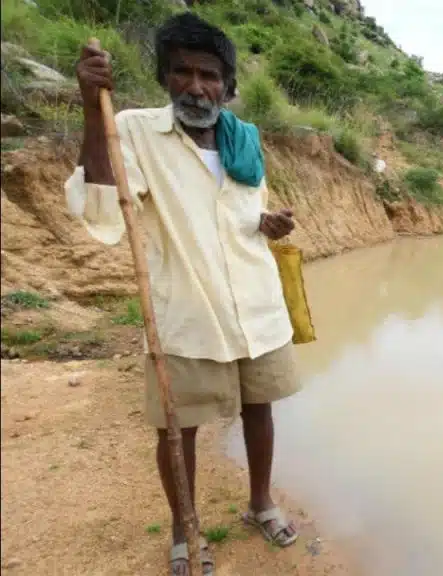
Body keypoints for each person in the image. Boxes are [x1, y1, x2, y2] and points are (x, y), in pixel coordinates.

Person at [67, 12, 301, 575]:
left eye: (209, 75)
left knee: (259, 409)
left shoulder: (243, 139)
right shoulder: (135, 130)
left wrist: (265, 220)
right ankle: (183, 528)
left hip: (257, 303)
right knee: (180, 425)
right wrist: (89, 109)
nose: (197, 87)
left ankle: (260, 502)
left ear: (228, 84)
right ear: (164, 77)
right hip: (188, 309)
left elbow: (242, 209)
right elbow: (103, 202)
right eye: (182, 73)